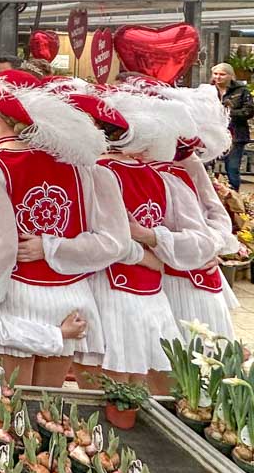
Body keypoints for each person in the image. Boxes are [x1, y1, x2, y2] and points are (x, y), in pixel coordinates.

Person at [0, 82, 127, 388]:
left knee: (6, 402)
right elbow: (116, 243)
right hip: (70, 296)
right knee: (48, 401)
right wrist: (55, 247)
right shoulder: (82, 168)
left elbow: (1, 247)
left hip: (13, 295)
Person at [80, 89, 217, 391]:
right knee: (145, 388)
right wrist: (153, 253)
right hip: (151, 294)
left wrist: (147, 247)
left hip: (106, 289)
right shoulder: (160, 176)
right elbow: (202, 240)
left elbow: (102, 237)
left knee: (107, 390)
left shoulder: (95, 173)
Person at [154, 83, 241, 339]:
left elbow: (218, 216)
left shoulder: (185, 163)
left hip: (188, 280)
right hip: (146, 280)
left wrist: (209, 246)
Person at [212, 62, 253, 191]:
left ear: (231, 76)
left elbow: (249, 111)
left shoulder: (242, 91)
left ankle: (234, 195)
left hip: (235, 134)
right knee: (207, 166)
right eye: (215, 74)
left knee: (232, 168)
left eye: (222, 74)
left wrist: (227, 112)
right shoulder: (207, 90)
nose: (218, 77)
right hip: (211, 133)